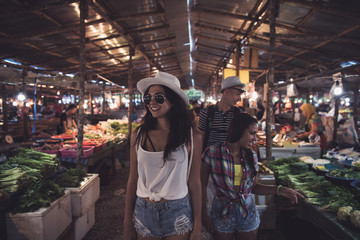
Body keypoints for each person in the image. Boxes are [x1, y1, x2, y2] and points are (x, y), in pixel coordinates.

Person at [123, 72, 202, 240]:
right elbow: (132, 179)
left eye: (158, 97)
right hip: (144, 210)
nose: (152, 102)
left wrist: (198, 223)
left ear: (173, 101)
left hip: (177, 211)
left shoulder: (192, 136)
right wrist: (126, 222)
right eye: (148, 98)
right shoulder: (138, 135)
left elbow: (195, 183)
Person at [201, 113, 305, 240]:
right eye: (252, 133)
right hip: (222, 210)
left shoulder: (251, 155)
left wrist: (280, 189)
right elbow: (201, 185)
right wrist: (203, 215)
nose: (255, 138)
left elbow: (254, 187)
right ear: (239, 131)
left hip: (247, 210)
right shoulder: (212, 152)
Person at [198, 76, 246, 151]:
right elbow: (200, 139)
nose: (239, 99)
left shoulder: (240, 115)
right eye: (237, 94)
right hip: (209, 160)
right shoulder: (206, 113)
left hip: (231, 160)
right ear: (226, 92)